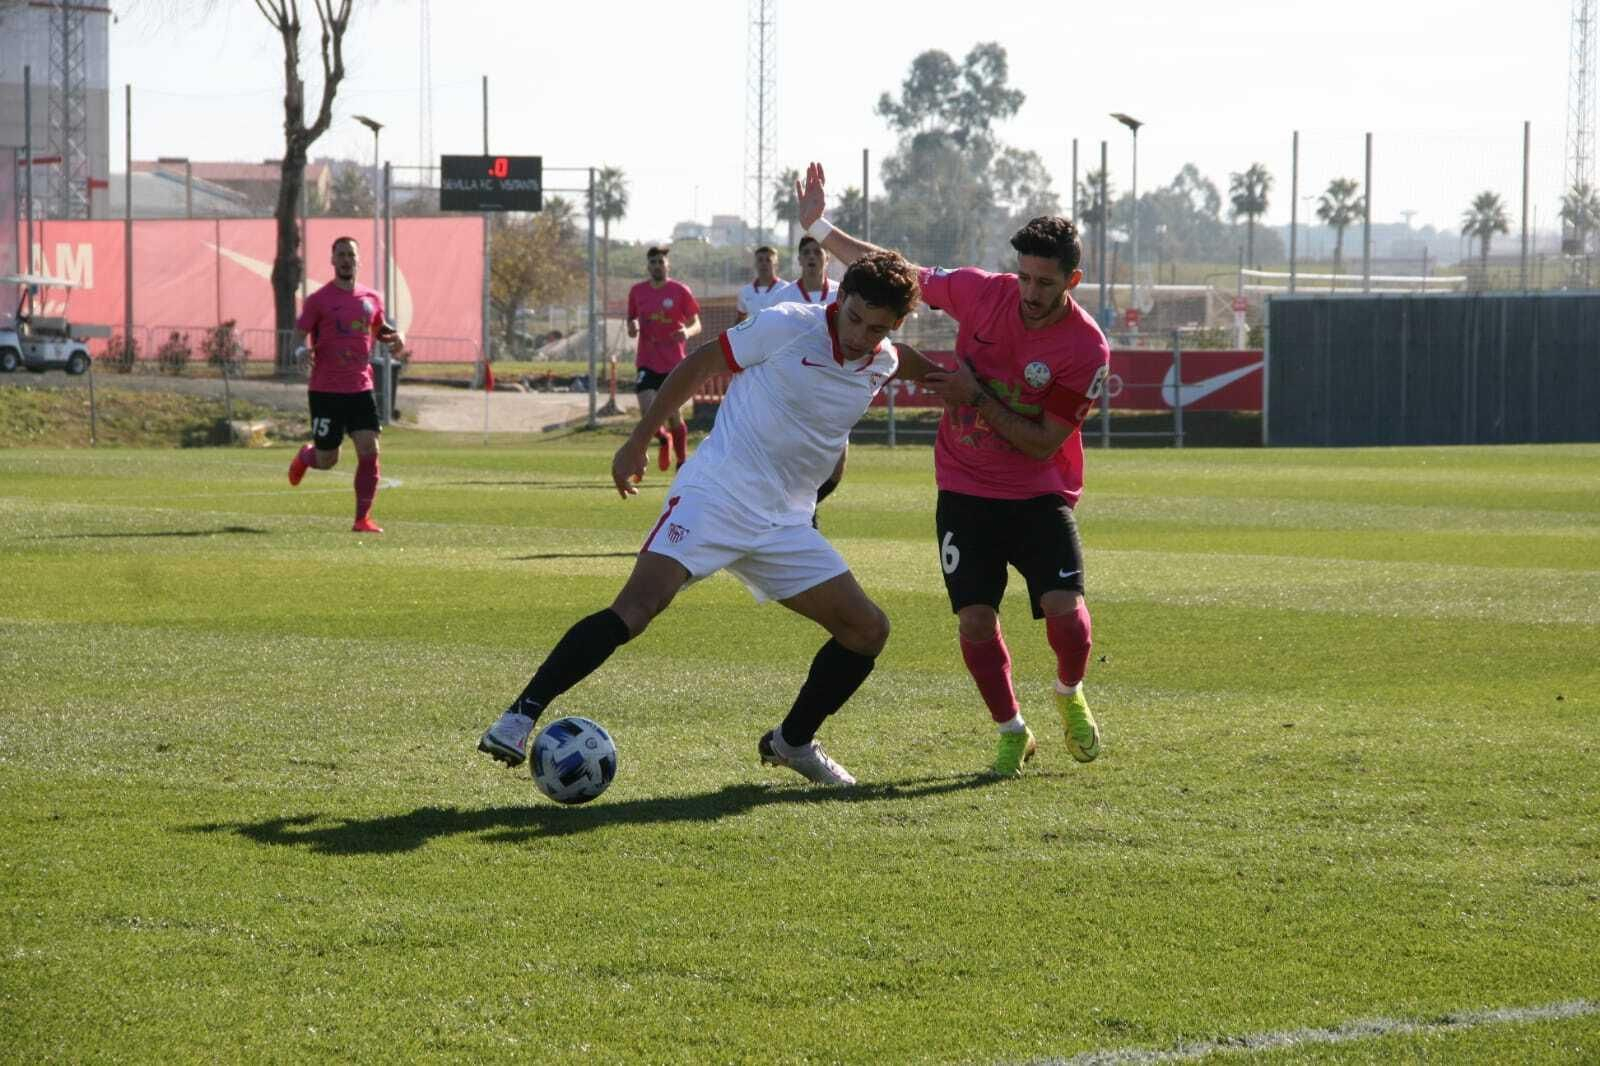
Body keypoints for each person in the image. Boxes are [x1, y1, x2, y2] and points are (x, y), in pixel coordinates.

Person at [478, 251, 935, 787]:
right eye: (853, 317)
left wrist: (976, 389)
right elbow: (698, 366)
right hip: (716, 495)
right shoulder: (787, 326)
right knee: (637, 608)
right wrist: (638, 439)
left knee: (867, 630)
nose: (859, 335)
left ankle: (792, 742)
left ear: (895, 325)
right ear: (842, 298)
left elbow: (921, 368)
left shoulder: (883, 358)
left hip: (785, 522)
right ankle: (519, 716)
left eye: (876, 328)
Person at [795, 161, 1111, 778]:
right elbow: (893, 272)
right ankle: (1011, 730)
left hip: (1039, 491)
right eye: (1024, 276)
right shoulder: (983, 292)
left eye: (1045, 283)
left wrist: (976, 398)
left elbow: (1042, 443)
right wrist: (819, 227)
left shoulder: (1086, 347)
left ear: (1071, 280)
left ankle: (1069, 691)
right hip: (964, 487)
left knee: (1066, 614)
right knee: (975, 620)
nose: (1030, 292)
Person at [286, 236, 405, 533]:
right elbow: (298, 336)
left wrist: (397, 337)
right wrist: (300, 352)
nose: (345, 260)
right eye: (340, 255)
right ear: (332, 260)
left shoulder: (371, 298)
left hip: (360, 387)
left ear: (358, 259)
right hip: (325, 390)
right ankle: (306, 456)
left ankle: (362, 519)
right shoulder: (318, 300)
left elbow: (378, 328)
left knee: (370, 449)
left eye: (350, 254)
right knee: (328, 460)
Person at [626, 246, 702, 474]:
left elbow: (696, 324)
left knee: (673, 414)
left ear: (668, 265)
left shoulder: (680, 291)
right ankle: (663, 438)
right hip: (647, 360)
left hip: (673, 363)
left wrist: (686, 332)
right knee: (647, 412)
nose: (657, 265)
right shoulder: (637, 291)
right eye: (653, 262)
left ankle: (682, 462)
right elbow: (631, 321)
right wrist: (633, 327)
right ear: (648, 266)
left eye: (661, 261)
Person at [733, 244, 786, 323]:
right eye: (760, 260)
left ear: (776, 265)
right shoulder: (745, 291)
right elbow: (741, 319)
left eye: (768, 260)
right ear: (755, 264)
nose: (764, 263)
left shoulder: (786, 288)